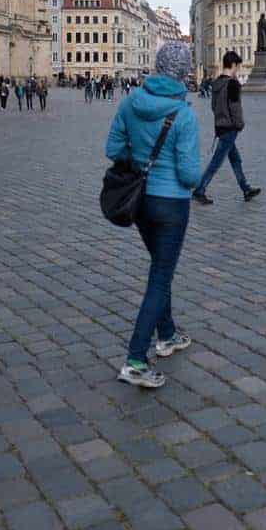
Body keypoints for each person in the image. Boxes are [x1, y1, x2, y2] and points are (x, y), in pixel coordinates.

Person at [106, 42, 200, 389]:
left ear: (158, 67)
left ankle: (168, 334)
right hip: (172, 203)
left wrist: (141, 159)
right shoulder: (184, 114)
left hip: (140, 202)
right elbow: (189, 175)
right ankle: (135, 359)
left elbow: (113, 148)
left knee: (161, 268)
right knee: (160, 276)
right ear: (183, 73)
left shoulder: (130, 103)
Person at [192, 51, 261, 205]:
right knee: (216, 162)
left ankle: (246, 189)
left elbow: (213, 106)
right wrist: (239, 124)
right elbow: (235, 108)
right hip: (230, 128)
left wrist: (221, 118)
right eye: (237, 66)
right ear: (233, 65)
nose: (238, 69)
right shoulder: (232, 84)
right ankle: (199, 190)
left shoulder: (216, 83)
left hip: (220, 126)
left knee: (235, 160)